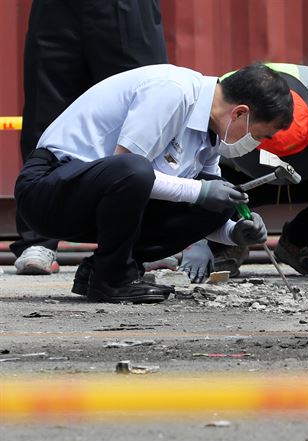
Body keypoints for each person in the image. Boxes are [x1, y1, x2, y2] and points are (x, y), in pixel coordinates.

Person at [14, 63, 293, 303]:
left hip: (98, 197)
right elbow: (128, 170)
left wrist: (233, 231)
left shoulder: (210, 131)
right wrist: (200, 190)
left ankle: (101, 271)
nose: (256, 144)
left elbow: (196, 202)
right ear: (240, 114)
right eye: (260, 135)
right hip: (48, 189)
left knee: (219, 199)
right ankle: (113, 277)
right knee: (141, 170)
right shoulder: (173, 91)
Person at [176, 63, 308, 282]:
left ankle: (300, 241)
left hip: (301, 175)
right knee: (215, 187)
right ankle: (223, 246)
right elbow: (191, 177)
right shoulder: (228, 109)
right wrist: (194, 240)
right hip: (238, 174)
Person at [12, 0, 169, 275]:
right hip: (56, 8)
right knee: (46, 111)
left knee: (142, 106)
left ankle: (145, 240)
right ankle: (37, 238)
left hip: (126, 7)